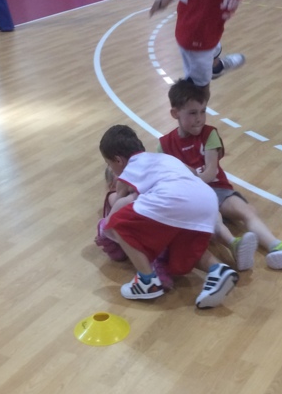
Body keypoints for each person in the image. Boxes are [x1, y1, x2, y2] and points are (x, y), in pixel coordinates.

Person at [159, 79, 282, 271]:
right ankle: (235, 247)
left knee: (247, 211)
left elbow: (210, 172)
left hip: (217, 188)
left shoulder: (209, 134)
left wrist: (190, 178)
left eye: (203, 111)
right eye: (193, 113)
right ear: (175, 113)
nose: (200, 118)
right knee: (214, 219)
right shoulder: (165, 145)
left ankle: (276, 246)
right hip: (193, 195)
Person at [99, 124, 238, 308]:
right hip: (207, 200)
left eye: (109, 164)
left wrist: (106, 228)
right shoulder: (162, 158)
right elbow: (191, 172)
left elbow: (119, 203)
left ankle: (146, 281)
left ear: (117, 160)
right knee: (184, 249)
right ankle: (217, 270)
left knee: (118, 223)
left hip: (176, 201)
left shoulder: (130, 167)